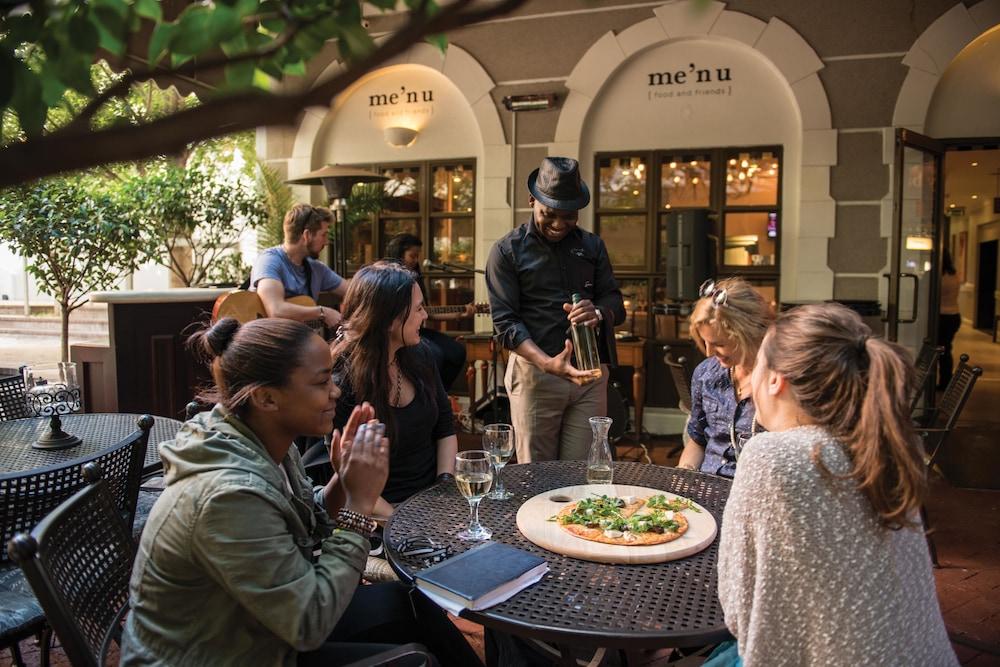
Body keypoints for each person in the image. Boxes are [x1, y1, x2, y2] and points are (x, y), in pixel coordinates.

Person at [120, 317, 480, 667]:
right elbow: (308, 624)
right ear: (267, 398)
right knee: (421, 654)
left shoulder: (261, 440)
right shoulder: (228, 497)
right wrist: (359, 506)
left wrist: (344, 477)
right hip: (227, 651)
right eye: (322, 382)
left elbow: (309, 518)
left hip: (261, 627)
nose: (336, 391)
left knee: (409, 604)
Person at [711, 302, 957, 666]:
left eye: (757, 363)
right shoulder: (886, 443)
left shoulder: (772, 456)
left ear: (776, 378)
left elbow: (737, 609)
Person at [487, 157, 625, 463]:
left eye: (569, 216)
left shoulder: (593, 246)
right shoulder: (506, 251)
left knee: (583, 473)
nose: (559, 225)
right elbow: (505, 324)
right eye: (549, 215)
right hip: (537, 376)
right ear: (531, 200)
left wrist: (598, 312)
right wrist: (547, 364)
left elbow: (615, 301)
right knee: (537, 477)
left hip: (590, 376)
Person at [329, 260, 458, 513]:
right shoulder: (341, 381)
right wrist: (400, 521)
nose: (425, 315)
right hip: (377, 514)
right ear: (389, 320)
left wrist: (444, 485)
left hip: (433, 502)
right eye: (419, 308)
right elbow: (346, 474)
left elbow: (445, 427)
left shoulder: (421, 354)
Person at [679, 277, 773, 478]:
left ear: (748, 333)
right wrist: (684, 475)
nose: (709, 352)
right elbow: (697, 439)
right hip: (706, 488)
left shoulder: (780, 382)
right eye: (704, 342)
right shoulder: (706, 373)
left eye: (719, 344)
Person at [385, 233, 473, 390]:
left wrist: (461, 313)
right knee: (436, 355)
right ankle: (425, 396)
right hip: (397, 333)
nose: (416, 260)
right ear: (399, 254)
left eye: (417, 256)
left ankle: (439, 395)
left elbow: (427, 312)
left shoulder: (415, 277)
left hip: (418, 331)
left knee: (457, 352)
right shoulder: (387, 278)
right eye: (412, 256)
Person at [250, 203, 347, 331]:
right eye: (323, 235)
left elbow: (352, 290)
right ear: (307, 235)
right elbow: (276, 310)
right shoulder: (270, 261)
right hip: (268, 343)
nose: (327, 242)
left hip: (296, 343)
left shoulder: (316, 269)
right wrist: (323, 313)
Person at [938, 249, 962, 389]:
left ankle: (944, 381)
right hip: (954, 315)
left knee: (941, 349)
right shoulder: (954, 275)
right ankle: (945, 379)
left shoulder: (938, 277)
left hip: (942, 316)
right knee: (946, 349)